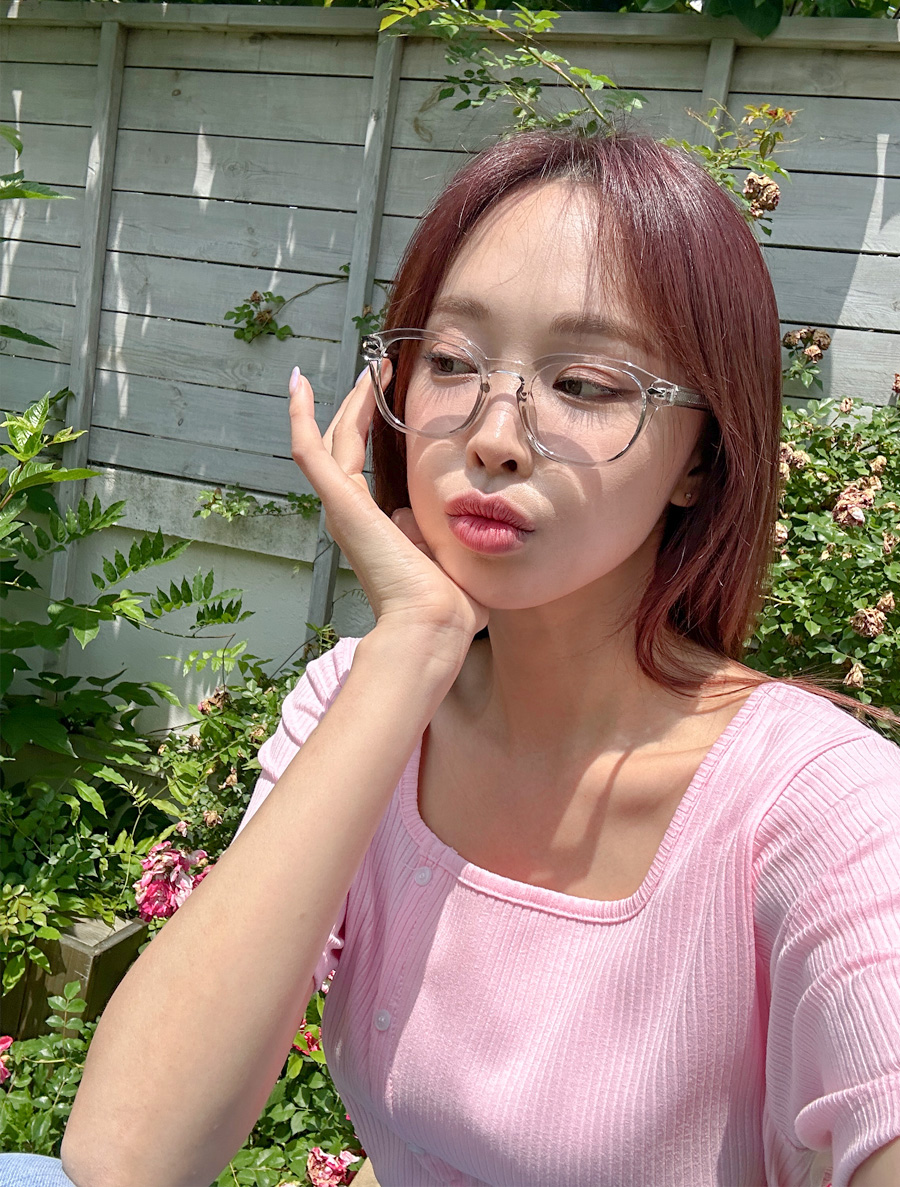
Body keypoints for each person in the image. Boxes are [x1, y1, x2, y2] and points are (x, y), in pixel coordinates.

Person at [26, 130, 900, 1187]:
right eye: (449, 362)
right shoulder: (363, 704)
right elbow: (128, 1155)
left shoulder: (827, 811)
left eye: (584, 381)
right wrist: (414, 646)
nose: (494, 434)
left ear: (703, 459)